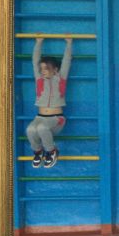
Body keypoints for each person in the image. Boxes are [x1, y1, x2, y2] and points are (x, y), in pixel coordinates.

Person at [26, 37, 72, 168]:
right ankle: (38, 152)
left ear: (55, 70)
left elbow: (66, 61)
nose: (43, 71)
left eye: (46, 68)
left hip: (56, 119)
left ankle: (52, 151)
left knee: (42, 128)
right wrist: (38, 43)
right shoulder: (39, 80)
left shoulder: (61, 78)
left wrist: (69, 44)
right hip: (40, 117)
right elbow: (35, 61)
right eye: (42, 69)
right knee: (30, 129)